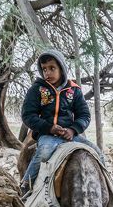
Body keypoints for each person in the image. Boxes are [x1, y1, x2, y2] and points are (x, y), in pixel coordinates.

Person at [20, 49, 104, 195]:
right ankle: (26, 185)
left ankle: (107, 187)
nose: (47, 73)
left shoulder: (74, 90)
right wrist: (49, 128)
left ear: (62, 69)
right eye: (44, 69)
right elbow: (28, 115)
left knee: (97, 153)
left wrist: (73, 130)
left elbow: (84, 115)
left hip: (70, 135)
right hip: (48, 134)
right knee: (44, 152)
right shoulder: (37, 89)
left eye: (52, 68)